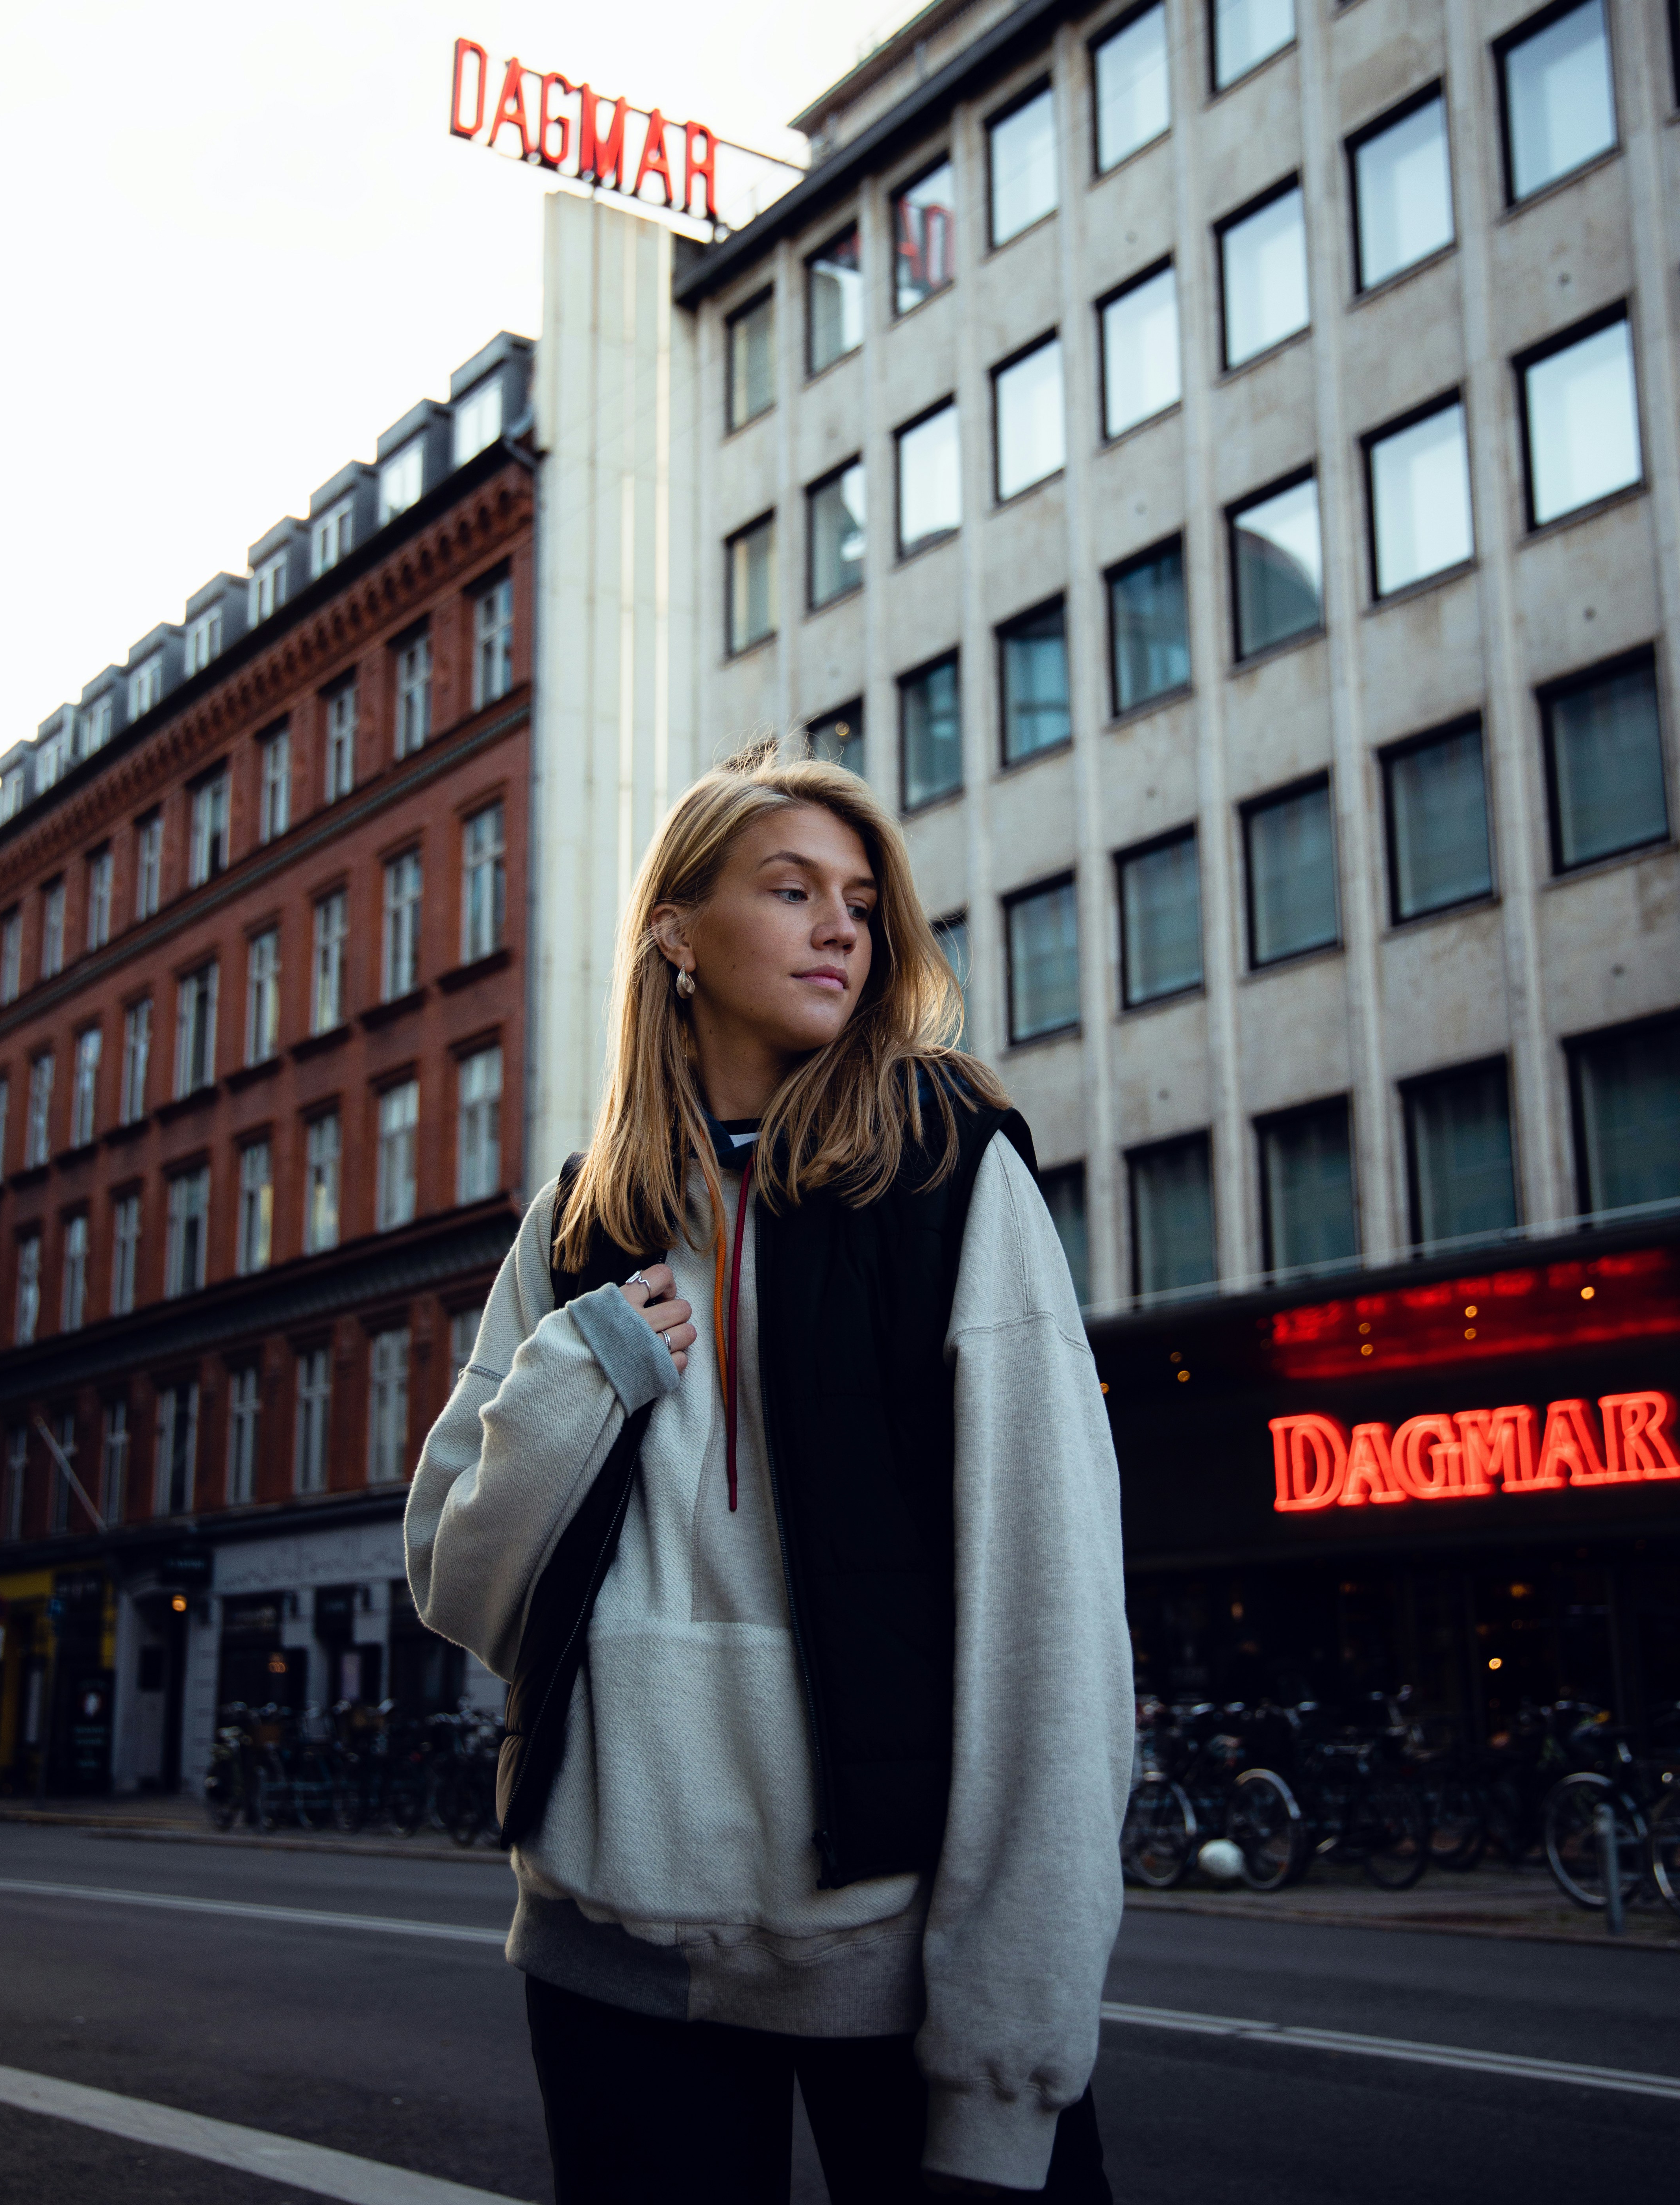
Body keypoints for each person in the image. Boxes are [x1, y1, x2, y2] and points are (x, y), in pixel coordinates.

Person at [406, 742, 1132, 2203]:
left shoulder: (947, 1176)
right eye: (790, 889)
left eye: (862, 901)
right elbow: (456, 1585)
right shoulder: (581, 1217)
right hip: (607, 1956)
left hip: (892, 1964)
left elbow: (1050, 1621)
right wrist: (579, 1376)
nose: (840, 929)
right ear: (675, 931)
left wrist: (1009, 2054)